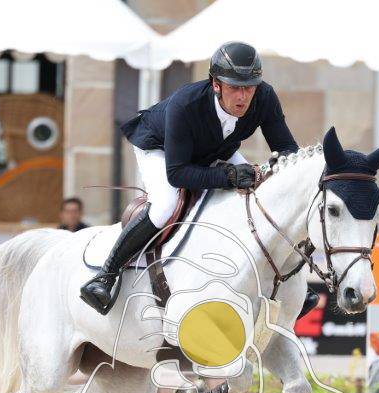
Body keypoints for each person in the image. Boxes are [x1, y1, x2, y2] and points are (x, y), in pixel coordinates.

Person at [80, 41, 300, 315]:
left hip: (215, 148)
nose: (243, 96)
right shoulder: (186, 104)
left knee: (260, 194)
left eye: (249, 87)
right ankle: (106, 275)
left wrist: (277, 172)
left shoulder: (264, 97)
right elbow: (178, 174)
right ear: (216, 84)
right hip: (160, 149)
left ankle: (286, 279)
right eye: (234, 87)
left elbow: (286, 148)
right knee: (165, 205)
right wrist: (229, 176)